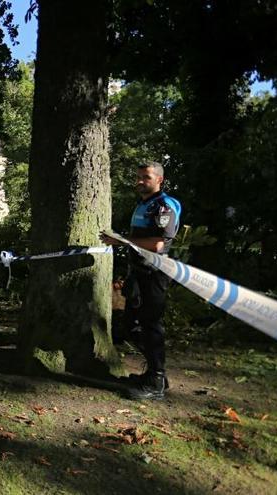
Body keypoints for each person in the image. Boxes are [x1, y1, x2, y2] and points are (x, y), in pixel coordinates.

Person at [101, 160, 181, 400]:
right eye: (138, 177)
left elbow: (157, 244)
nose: (140, 181)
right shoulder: (143, 204)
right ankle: (156, 375)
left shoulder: (163, 206)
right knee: (131, 325)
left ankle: (156, 381)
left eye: (146, 177)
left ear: (159, 180)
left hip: (155, 273)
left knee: (151, 325)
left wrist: (121, 241)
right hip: (138, 272)